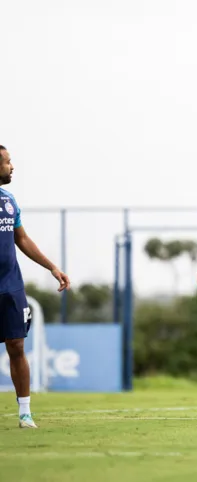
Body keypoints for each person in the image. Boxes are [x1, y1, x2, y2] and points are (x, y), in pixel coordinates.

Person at [0, 145, 71, 429]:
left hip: (11, 286)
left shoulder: (9, 200)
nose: (12, 167)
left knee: (17, 346)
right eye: (7, 162)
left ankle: (25, 413)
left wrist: (52, 267)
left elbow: (23, 239)